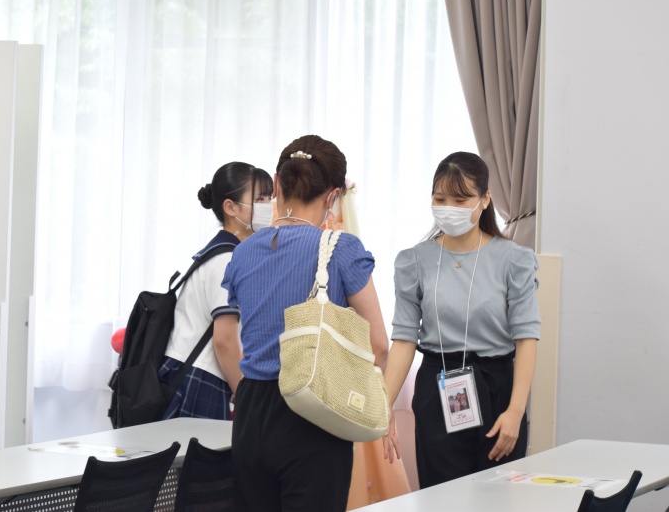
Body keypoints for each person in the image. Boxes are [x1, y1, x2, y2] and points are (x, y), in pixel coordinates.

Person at [222, 134, 390, 511]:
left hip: (251, 414)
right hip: (313, 408)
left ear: (277, 184)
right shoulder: (341, 249)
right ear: (333, 196)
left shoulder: (243, 253)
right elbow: (379, 345)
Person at [382, 151, 540, 488]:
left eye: (460, 199)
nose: (449, 208)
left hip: (497, 387)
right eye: (440, 199)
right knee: (442, 497)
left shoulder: (513, 259)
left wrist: (516, 411)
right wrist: (384, 407)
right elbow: (404, 339)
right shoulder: (415, 261)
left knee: (498, 498)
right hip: (437, 385)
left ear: (485, 200)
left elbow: (527, 338)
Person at [158, 162, 273, 421]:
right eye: (259, 199)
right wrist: (244, 396)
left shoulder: (220, 252)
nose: (268, 206)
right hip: (200, 377)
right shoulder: (227, 259)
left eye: (269, 198)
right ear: (230, 207)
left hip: (189, 370)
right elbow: (224, 340)